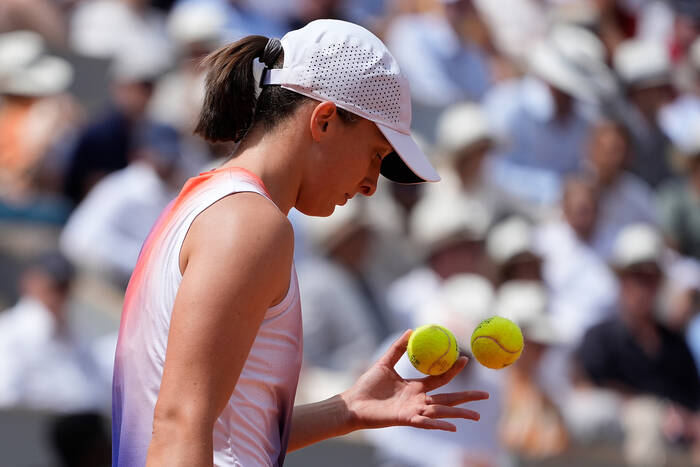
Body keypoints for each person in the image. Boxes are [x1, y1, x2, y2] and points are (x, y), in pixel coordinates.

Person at [112, 20, 489, 467]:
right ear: (325, 120)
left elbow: (223, 434)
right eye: (375, 154)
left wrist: (347, 409)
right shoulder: (250, 223)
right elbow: (179, 427)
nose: (372, 185)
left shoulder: (215, 204)